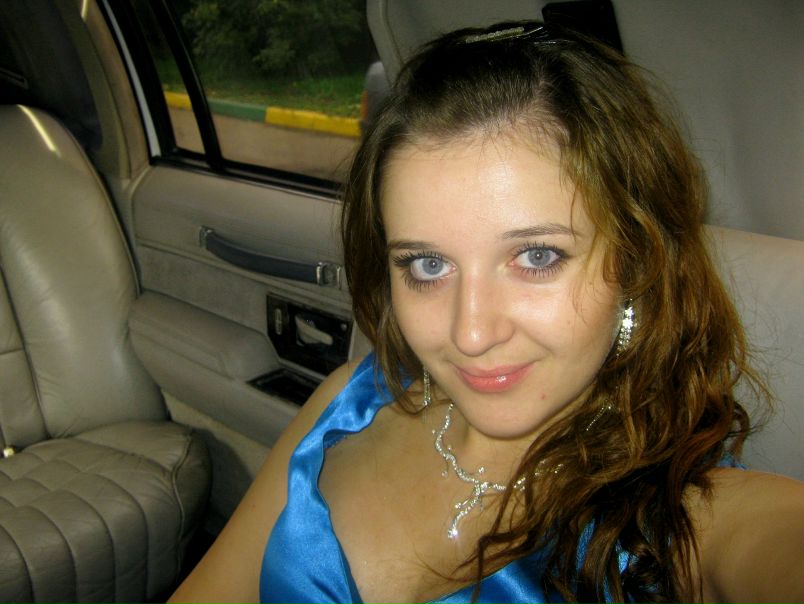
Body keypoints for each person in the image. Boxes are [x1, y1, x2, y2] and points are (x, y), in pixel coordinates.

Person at [168, 21, 804, 604]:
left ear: (635, 262)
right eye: (428, 265)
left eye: (536, 256)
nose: (471, 334)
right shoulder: (345, 407)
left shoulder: (689, 515)